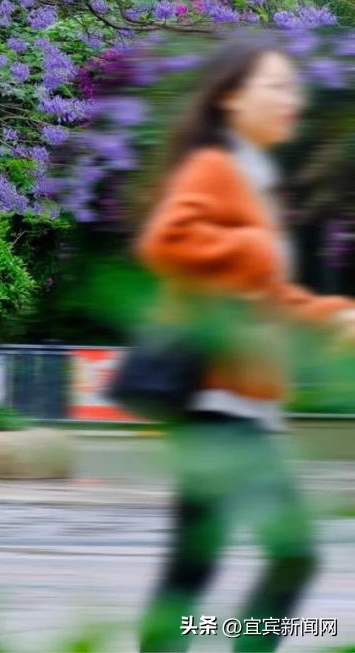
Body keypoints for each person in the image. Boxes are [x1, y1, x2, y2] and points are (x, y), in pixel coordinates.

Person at [135, 32, 355, 653]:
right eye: (278, 85)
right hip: (220, 411)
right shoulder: (217, 168)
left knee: (192, 572)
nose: (294, 99)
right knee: (292, 558)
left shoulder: (255, 178)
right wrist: (254, 248)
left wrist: (333, 315)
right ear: (233, 97)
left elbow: (265, 295)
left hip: (237, 407)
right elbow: (168, 242)